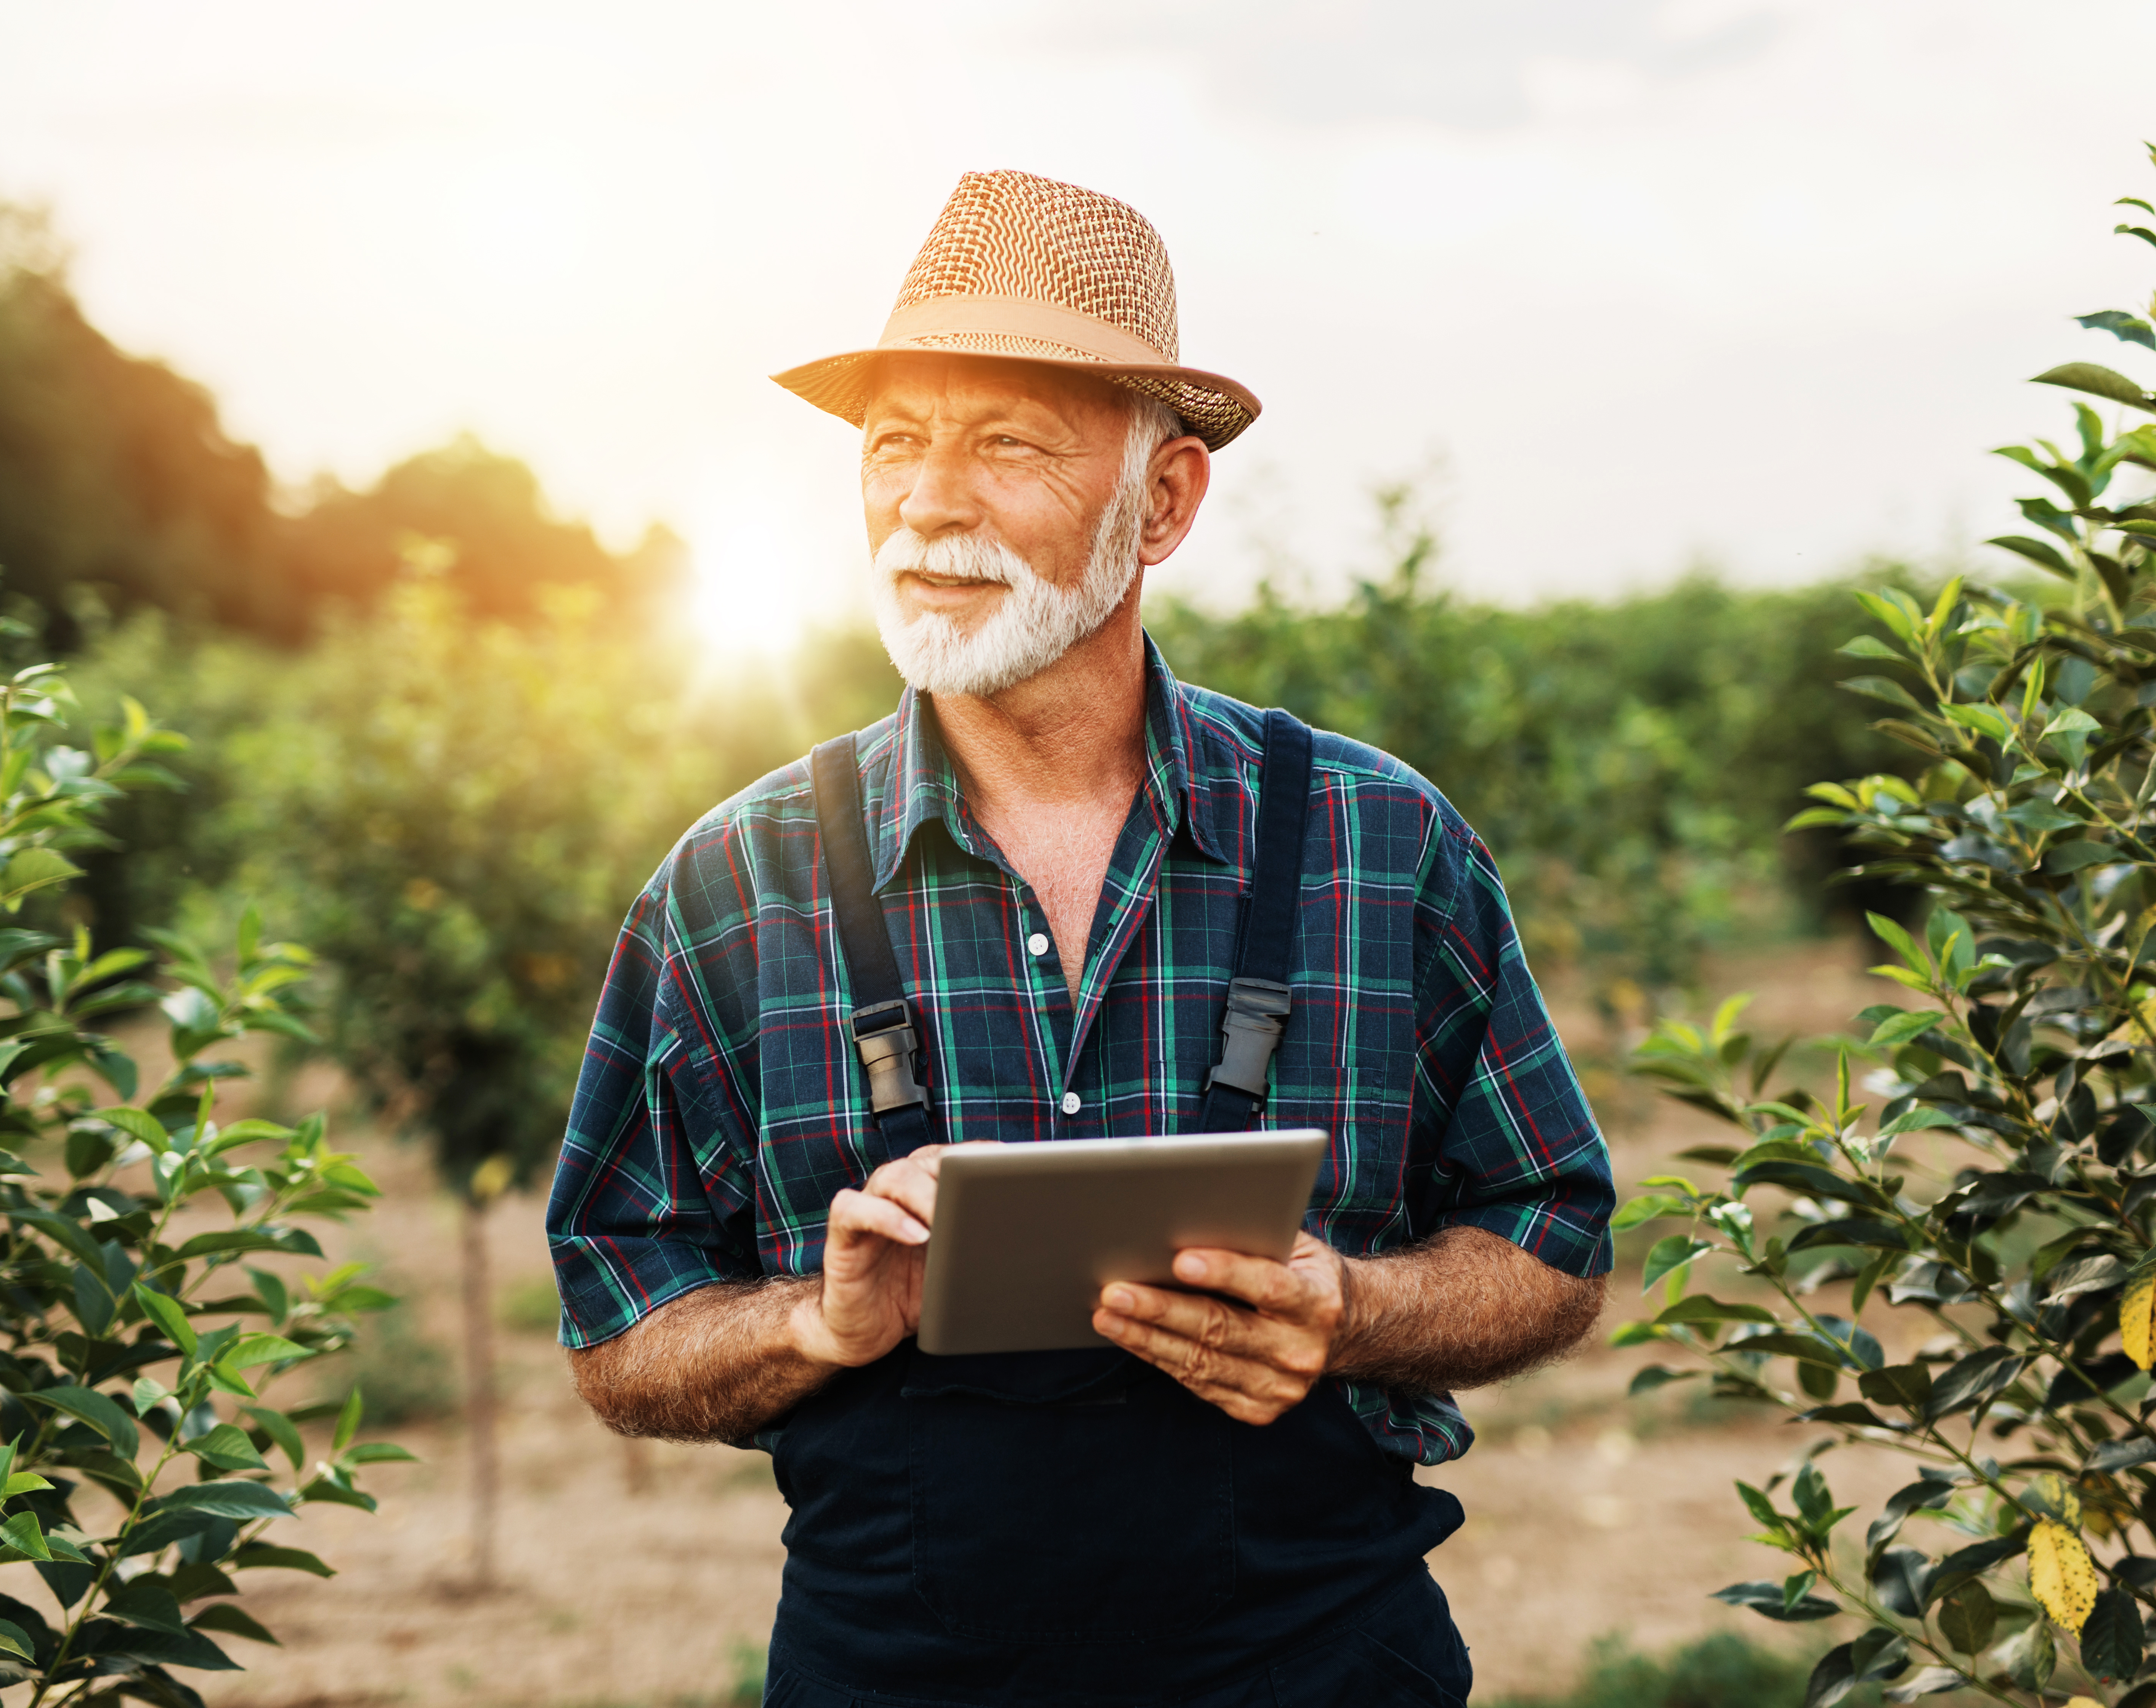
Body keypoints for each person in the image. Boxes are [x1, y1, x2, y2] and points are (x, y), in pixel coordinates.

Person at [545, 169, 1614, 1706]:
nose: (928, 503)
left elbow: (1550, 1240)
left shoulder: (1377, 845)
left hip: (1315, 1665)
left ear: (1165, 499)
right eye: (895, 444)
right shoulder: (736, 884)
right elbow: (616, 1331)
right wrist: (818, 1322)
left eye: (1006, 445)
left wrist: (1353, 1308)